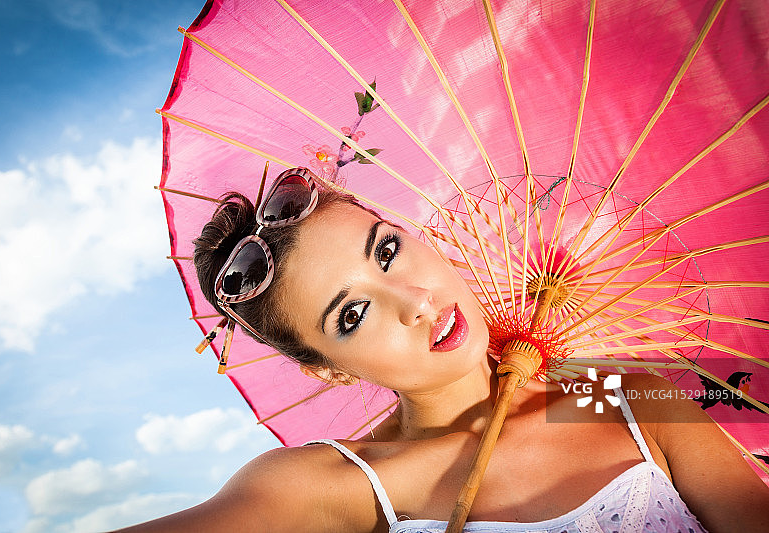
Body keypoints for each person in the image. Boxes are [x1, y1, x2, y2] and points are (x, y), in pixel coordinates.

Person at [114, 167, 769, 533]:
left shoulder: (625, 399)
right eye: (353, 312)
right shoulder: (346, 485)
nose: (415, 301)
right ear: (329, 369)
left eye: (388, 249)